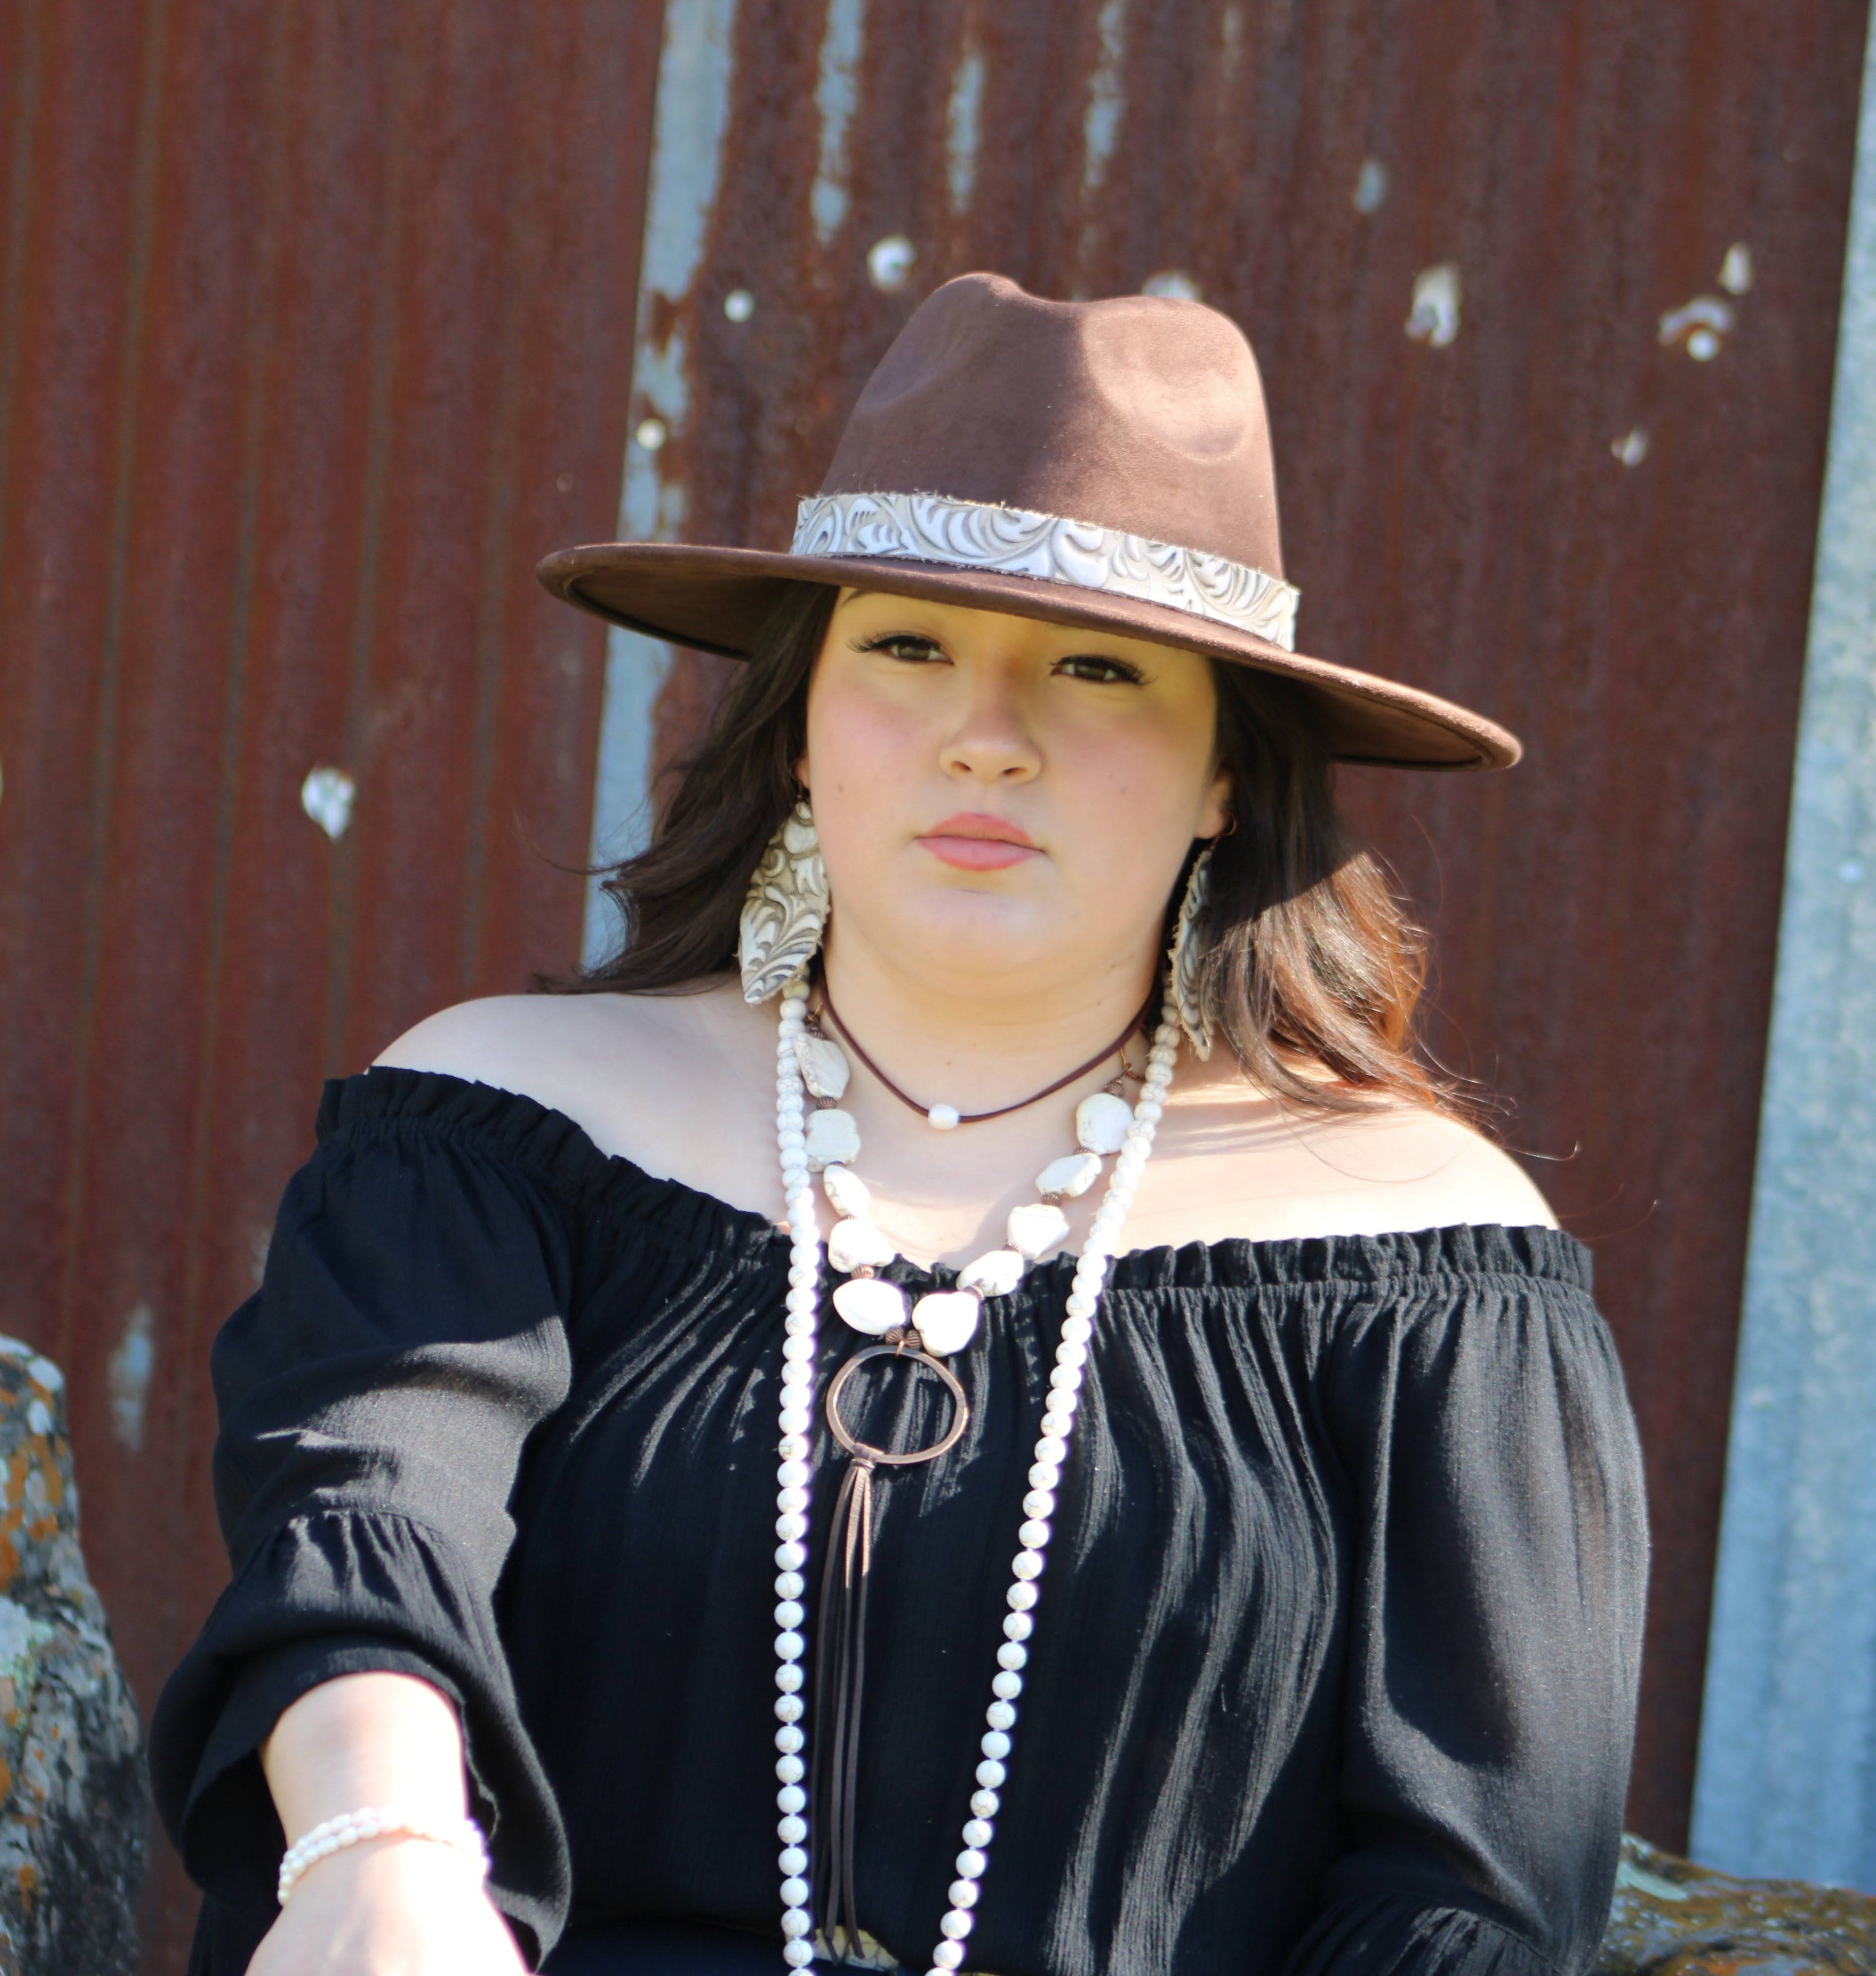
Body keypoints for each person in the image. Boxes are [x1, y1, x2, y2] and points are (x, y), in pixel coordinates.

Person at [151, 273, 1648, 1976]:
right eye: (909, 647)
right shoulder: (502, 1124)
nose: (986, 739)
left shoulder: (1429, 1259)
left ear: (1229, 768)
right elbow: (362, 1533)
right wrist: (382, 1849)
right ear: (799, 722)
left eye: (1097, 668)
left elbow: (1476, 1894)